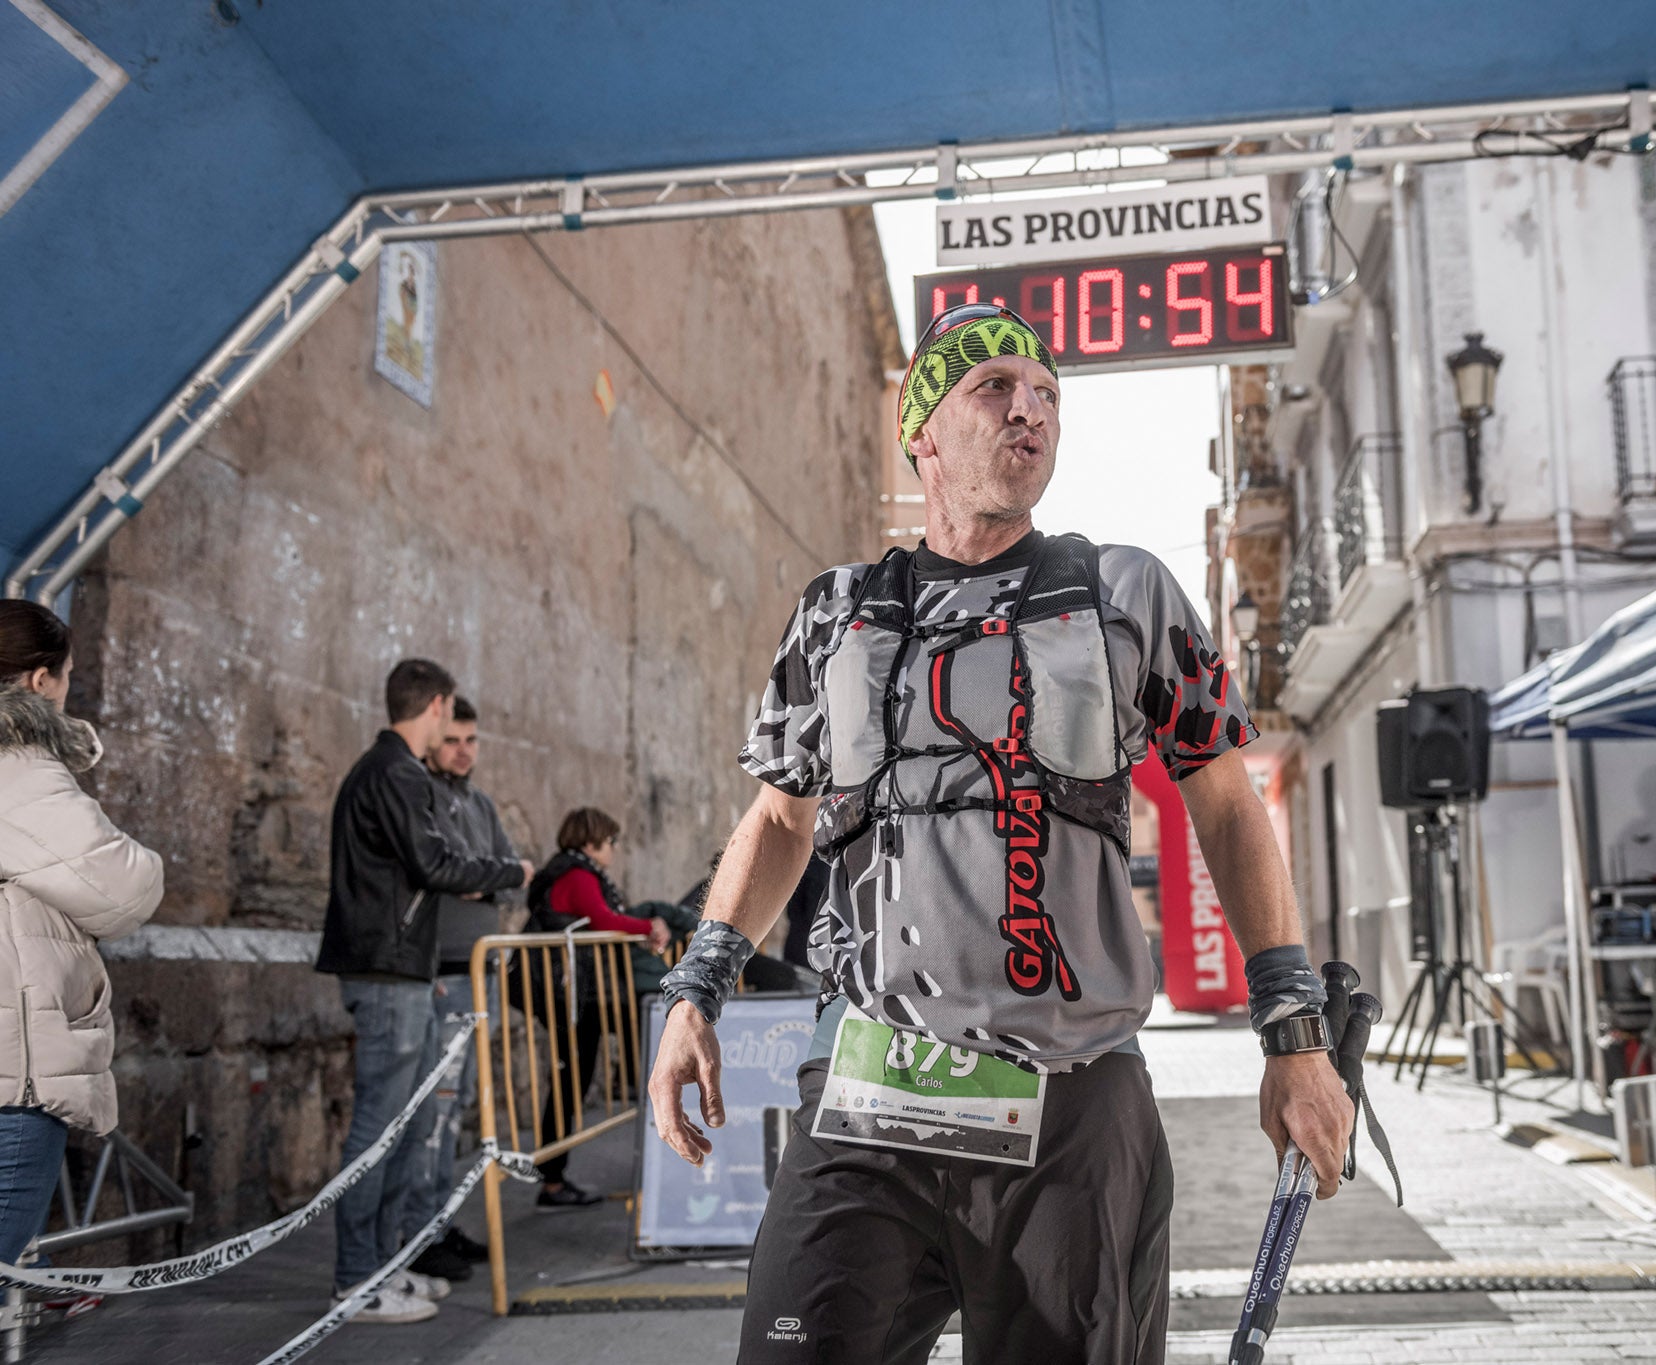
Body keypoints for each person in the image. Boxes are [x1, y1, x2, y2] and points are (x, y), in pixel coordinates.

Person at [648, 303, 1353, 1364]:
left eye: (1048, 396)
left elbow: (1223, 804)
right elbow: (780, 815)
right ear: (921, 430)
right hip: (866, 1100)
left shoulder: (1123, 592)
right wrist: (693, 989)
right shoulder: (834, 614)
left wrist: (1293, 1037)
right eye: (994, 389)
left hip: (1071, 1113)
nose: (1030, 409)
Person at [316, 660, 532, 1322]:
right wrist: (511, 868)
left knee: (402, 1126)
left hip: (394, 966)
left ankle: (383, 1265)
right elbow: (434, 862)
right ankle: (357, 1277)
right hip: (388, 968)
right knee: (380, 1128)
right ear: (436, 705)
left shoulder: (387, 770)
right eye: (450, 717)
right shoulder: (397, 771)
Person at [0, 602, 162, 1264]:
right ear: (40, 682)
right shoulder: (20, 772)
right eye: (65, 675)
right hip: (13, 1070)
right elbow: (126, 885)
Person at [406, 696, 523, 1282]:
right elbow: (446, 870)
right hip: (444, 975)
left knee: (459, 1115)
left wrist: (489, 879)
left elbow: (513, 876)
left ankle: (438, 1221)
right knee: (434, 1115)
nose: (463, 750)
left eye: (472, 740)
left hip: (483, 976)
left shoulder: (478, 802)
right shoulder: (420, 796)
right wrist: (485, 876)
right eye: (453, 739)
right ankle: (418, 1234)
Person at [523, 807, 669, 1209]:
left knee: (579, 1079)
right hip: (579, 997)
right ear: (591, 843)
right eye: (611, 843)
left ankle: (555, 1178)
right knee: (572, 1083)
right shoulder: (578, 875)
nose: (615, 851)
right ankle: (551, 1180)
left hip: (588, 995)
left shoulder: (577, 872)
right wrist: (649, 928)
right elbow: (603, 918)